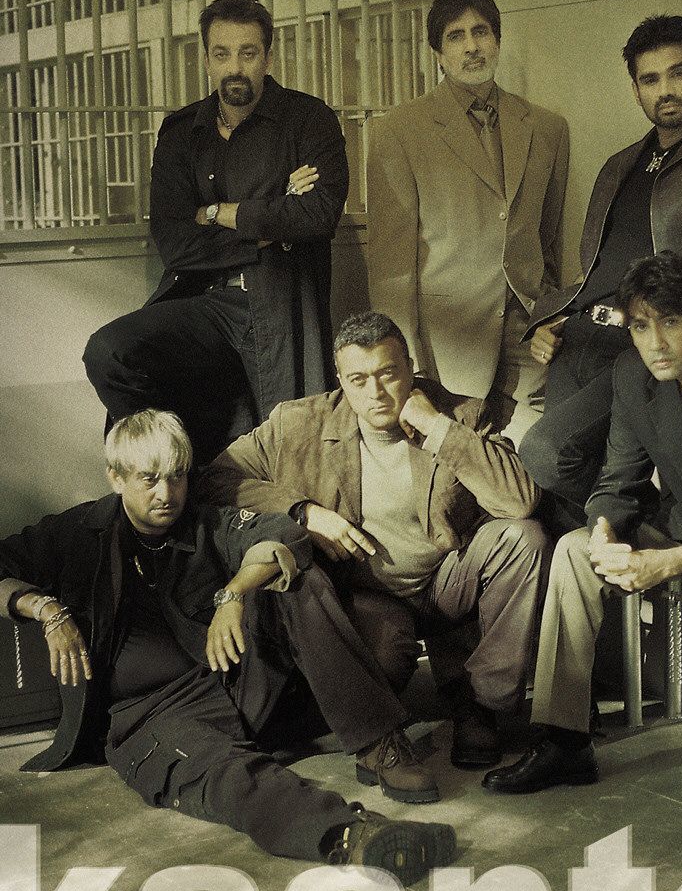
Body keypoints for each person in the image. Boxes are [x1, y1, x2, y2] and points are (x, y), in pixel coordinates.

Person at [0, 410, 456, 886]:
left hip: (237, 680)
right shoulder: (76, 533)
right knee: (230, 776)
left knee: (294, 578)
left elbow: (282, 535)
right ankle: (353, 836)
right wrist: (45, 609)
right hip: (152, 715)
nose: (166, 494)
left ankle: (377, 742)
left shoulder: (204, 522)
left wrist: (234, 594)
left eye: (177, 477)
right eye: (149, 479)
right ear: (116, 477)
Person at [484, 254, 682, 851]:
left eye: (670, 323)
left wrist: (673, 562)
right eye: (639, 325)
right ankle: (565, 741)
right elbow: (619, 478)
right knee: (576, 549)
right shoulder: (633, 375)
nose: (654, 343)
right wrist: (604, 527)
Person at [199, 311, 550, 770]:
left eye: (388, 374)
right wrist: (303, 511)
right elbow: (216, 479)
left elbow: (521, 500)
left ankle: (481, 705)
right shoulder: (297, 424)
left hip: (448, 579)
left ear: (410, 368)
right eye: (359, 380)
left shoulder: (460, 413)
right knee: (383, 675)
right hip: (368, 592)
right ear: (340, 379)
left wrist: (437, 428)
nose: (376, 393)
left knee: (524, 538)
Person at [520, 14, 682, 528]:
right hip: (579, 343)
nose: (665, 90)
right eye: (650, 79)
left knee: (547, 453)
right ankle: (619, 561)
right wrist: (557, 321)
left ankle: (670, 529)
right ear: (636, 90)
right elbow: (595, 271)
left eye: (678, 73)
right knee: (559, 507)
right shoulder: (620, 165)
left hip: (644, 350)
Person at [83, 0, 349, 465]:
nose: (235, 68)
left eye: (248, 53)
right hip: (201, 300)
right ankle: (166, 466)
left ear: (268, 58)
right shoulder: (180, 132)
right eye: (222, 54)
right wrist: (270, 224)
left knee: (290, 450)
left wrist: (214, 213)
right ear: (206, 59)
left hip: (276, 302)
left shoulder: (309, 119)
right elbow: (175, 242)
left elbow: (318, 215)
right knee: (109, 352)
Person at [367, 0, 569, 447]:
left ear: (497, 40)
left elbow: (550, 238)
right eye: (456, 36)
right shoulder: (399, 131)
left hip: (529, 338)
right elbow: (392, 267)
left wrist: (551, 317)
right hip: (447, 344)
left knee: (534, 457)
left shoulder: (548, 128)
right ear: (438, 53)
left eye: (481, 32)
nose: (472, 46)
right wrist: (404, 363)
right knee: (454, 467)